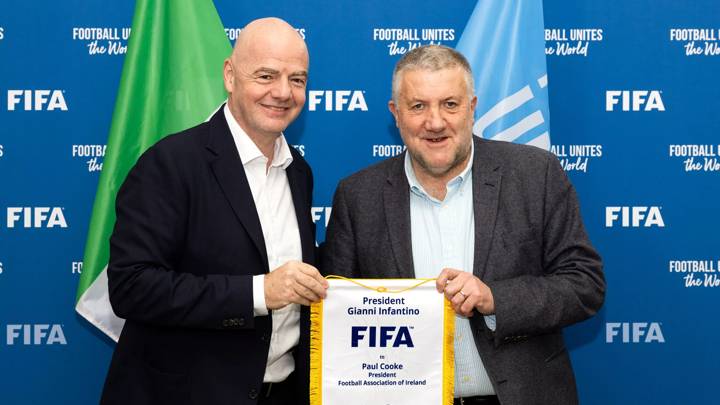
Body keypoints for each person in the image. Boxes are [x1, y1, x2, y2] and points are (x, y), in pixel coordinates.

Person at [322, 45, 605, 405]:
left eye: (450, 104)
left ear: (472, 108)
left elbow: (585, 285)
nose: (435, 122)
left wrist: (494, 298)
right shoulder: (357, 195)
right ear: (396, 114)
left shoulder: (536, 174)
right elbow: (339, 317)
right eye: (418, 106)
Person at [100, 17, 328, 405]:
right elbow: (131, 287)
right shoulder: (170, 163)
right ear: (229, 75)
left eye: (298, 80)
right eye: (266, 75)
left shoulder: (299, 172)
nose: (283, 92)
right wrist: (260, 291)